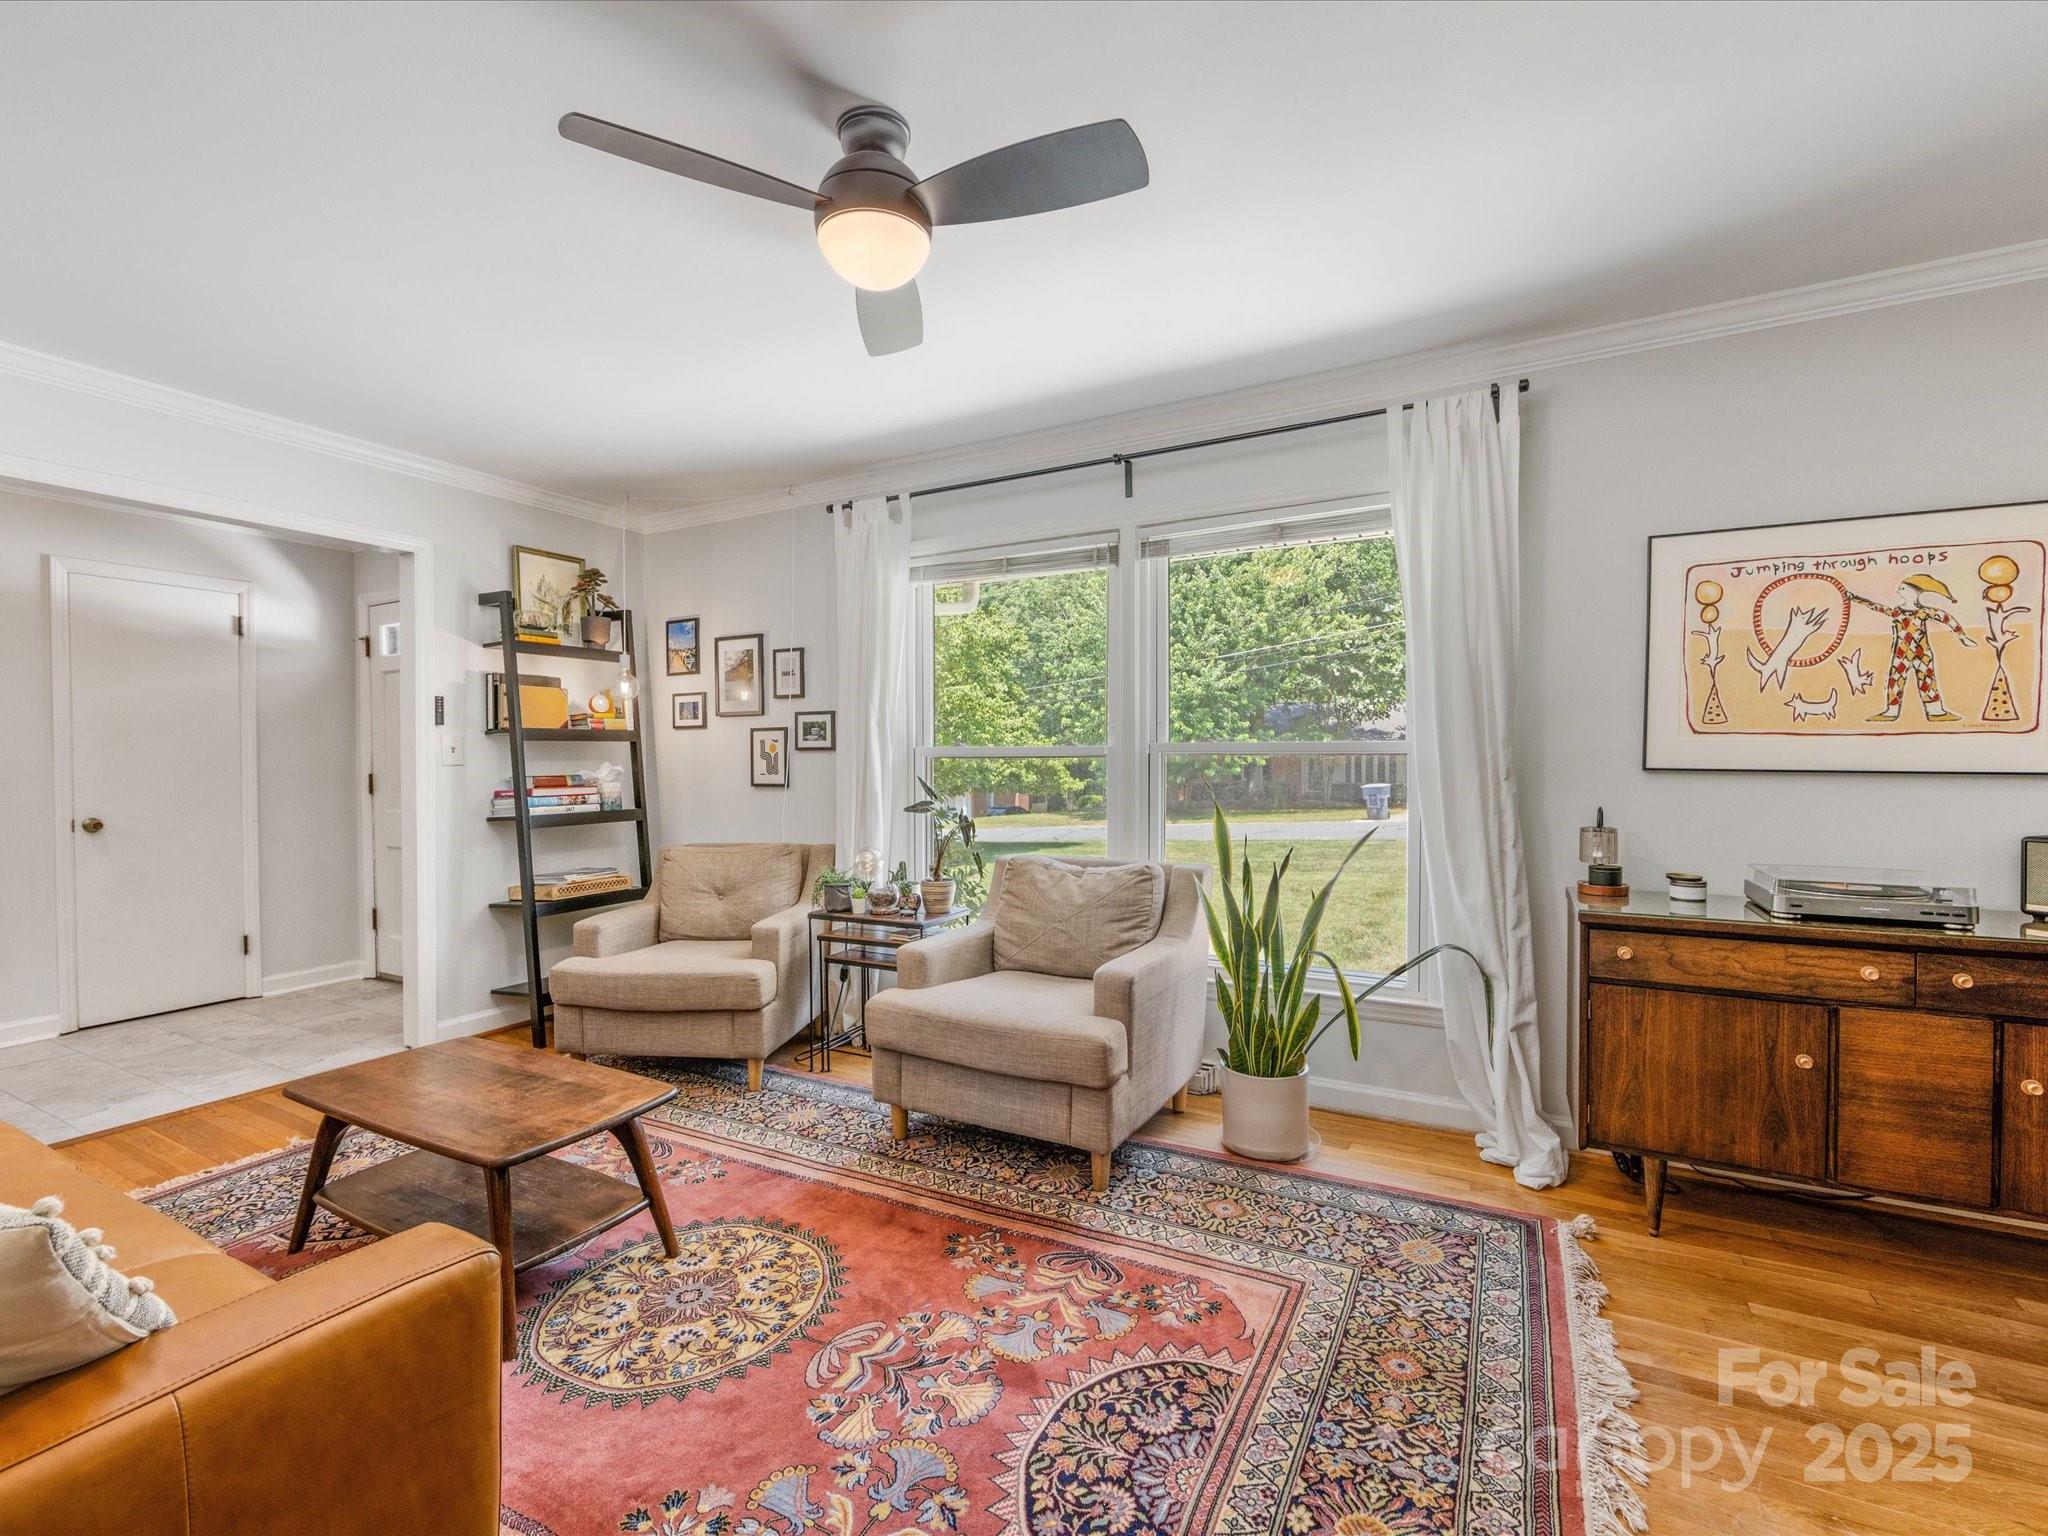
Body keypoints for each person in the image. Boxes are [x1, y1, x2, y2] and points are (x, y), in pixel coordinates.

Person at [1848, 574, 1977, 722]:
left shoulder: (1923, 612)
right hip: (1901, 654)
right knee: (1895, 681)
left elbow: (1946, 618)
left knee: (1927, 680)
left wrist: (1962, 636)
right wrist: (1855, 598)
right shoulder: (1897, 612)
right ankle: (1892, 712)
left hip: (1922, 654)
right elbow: (1876, 607)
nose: (1898, 590)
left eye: (1902, 588)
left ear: (1912, 592)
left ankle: (1936, 712)